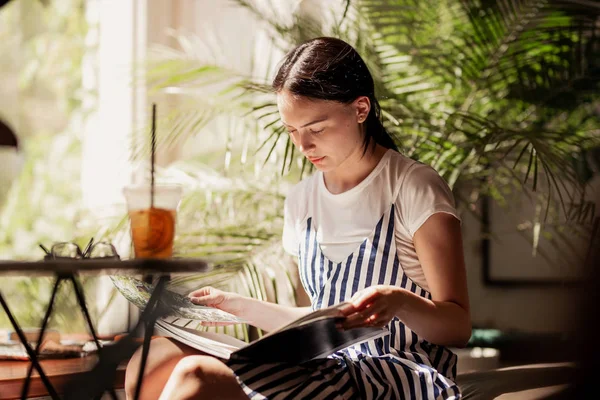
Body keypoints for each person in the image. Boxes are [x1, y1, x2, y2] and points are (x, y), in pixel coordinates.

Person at [125, 36, 471, 400]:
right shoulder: (302, 200)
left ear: (361, 109)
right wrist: (238, 306)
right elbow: (320, 325)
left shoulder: (413, 186)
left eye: (316, 129)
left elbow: (458, 326)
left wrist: (399, 301)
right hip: (330, 368)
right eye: (292, 131)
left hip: (398, 377)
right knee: (151, 361)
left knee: (196, 376)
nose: (304, 146)